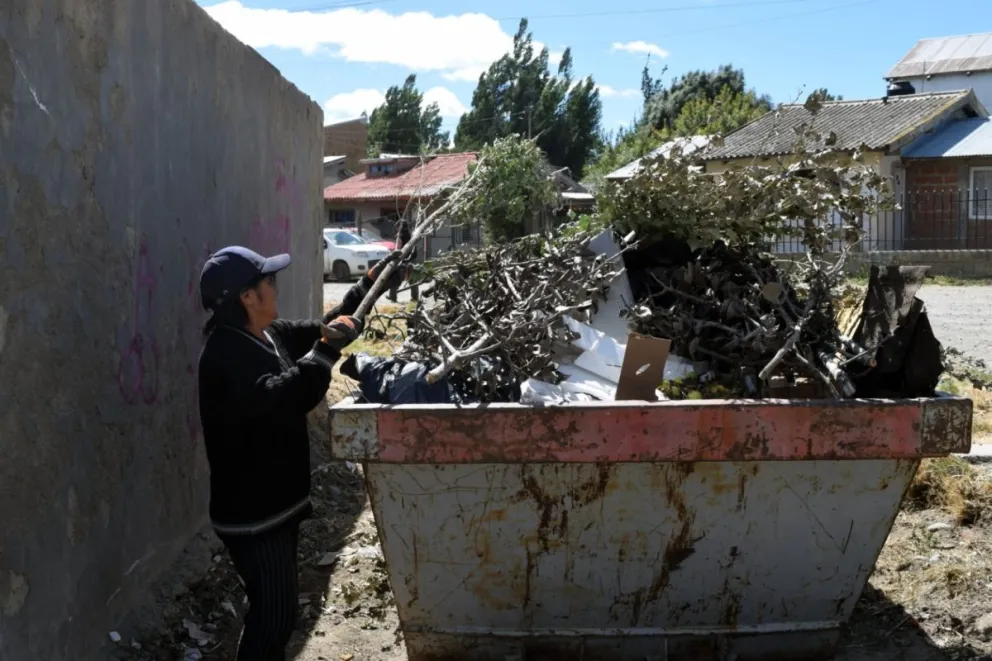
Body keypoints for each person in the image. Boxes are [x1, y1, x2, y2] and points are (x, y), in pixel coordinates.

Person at [196, 246, 398, 661]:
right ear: (247, 297)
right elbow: (285, 396)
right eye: (268, 281)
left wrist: (371, 283)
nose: (275, 286)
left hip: (277, 506)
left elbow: (328, 326)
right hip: (253, 516)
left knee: (277, 611)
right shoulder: (224, 355)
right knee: (274, 616)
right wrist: (324, 353)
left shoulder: (268, 333)